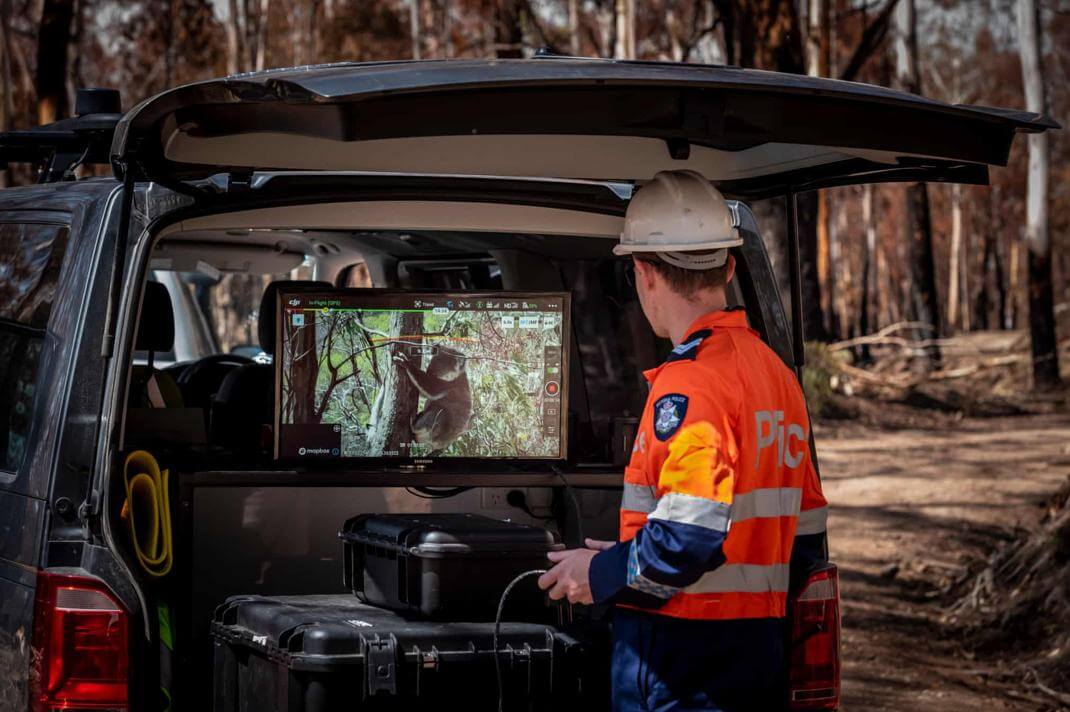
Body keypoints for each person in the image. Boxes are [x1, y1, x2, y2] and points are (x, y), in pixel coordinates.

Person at [537, 170, 828, 711]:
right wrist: (632, 555)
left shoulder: (691, 381)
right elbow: (805, 536)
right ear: (730, 266)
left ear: (643, 272)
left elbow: (690, 538)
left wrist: (598, 573)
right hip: (755, 659)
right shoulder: (776, 375)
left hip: (682, 665)